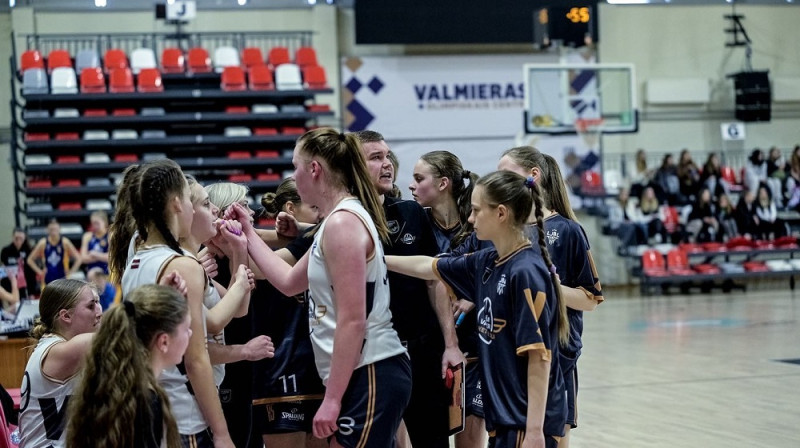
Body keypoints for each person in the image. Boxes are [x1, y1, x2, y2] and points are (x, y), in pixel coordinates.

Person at [225, 128, 412, 447]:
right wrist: (248, 233)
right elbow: (287, 282)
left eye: (295, 166)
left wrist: (332, 399)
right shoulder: (335, 221)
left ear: (314, 170)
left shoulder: (342, 224)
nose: (293, 175)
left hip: (371, 367)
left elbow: (354, 320)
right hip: (364, 370)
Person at [385, 170, 569, 448]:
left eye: (475, 210)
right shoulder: (486, 261)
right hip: (505, 420)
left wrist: (533, 431)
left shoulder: (527, 272)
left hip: (526, 423)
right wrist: (374, 256)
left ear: (501, 214)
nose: (469, 219)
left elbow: (540, 359)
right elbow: (428, 266)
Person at [110, 159, 240, 448]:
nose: (195, 209)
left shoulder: (136, 256)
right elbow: (196, 359)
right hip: (184, 416)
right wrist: (221, 432)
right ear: (177, 203)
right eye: (191, 200)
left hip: (152, 407)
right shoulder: (182, 265)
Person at [498, 147, 603, 448]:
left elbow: (590, 299)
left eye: (507, 173)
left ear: (534, 175)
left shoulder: (568, 231)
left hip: (557, 357)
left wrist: (551, 286)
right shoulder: (504, 229)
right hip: (510, 356)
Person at [407, 149, 484, 448]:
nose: (412, 185)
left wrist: (474, 296)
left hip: (476, 344)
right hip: (431, 345)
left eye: (418, 178)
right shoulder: (416, 223)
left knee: (470, 433)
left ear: (442, 184)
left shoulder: (478, 222)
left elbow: (501, 265)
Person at [249, 178, 326, 448]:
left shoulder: (322, 242)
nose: (321, 212)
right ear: (291, 208)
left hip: (321, 368)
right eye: (314, 205)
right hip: (279, 370)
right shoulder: (262, 252)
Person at [65, 284, 191, 448]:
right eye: (187, 329)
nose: (190, 334)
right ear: (164, 341)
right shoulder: (147, 400)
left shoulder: (114, 383)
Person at [18, 278, 102, 448]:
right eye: (91, 306)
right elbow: (120, 332)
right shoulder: (61, 351)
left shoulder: (57, 345)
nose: (99, 312)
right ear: (66, 316)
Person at [27, 220, 82, 288]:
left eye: (55, 229)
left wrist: (71, 272)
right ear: (47, 230)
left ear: (59, 229)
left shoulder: (65, 242)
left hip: (63, 278)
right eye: (51, 229)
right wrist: (40, 272)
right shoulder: (43, 243)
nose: (53, 231)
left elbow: (79, 258)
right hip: (47, 279)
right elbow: (29, 260)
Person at [1, 228, 38, 298]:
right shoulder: (5, 250)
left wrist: (32, 292)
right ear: (12, 237)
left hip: (25, 282)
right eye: (16, 238)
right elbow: (4, 267)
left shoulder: (29, 250)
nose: (18, 241)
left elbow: (31, 273)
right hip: (10, 283)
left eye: (21, 238)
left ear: (24, 238)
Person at [80, 211, 110, 275]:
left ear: (105, 222)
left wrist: (95, 254)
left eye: (97, 223)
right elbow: (83, 258)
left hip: (107, 275)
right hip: (91, 276)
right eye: (93, 223)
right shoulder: (87, 236)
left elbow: (111, 257)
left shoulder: (110, 236)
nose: (95, 226)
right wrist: (102, 257)